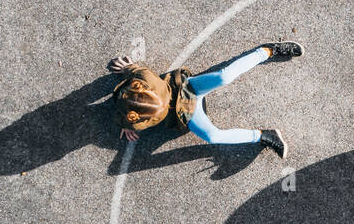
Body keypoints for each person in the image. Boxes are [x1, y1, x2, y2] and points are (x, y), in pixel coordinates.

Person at [107, 42, 303, 158]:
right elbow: (125, 120)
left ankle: (267, 51)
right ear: (135, 116)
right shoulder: (135, 121)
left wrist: (128, 67)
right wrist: (128, 127)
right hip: (186, 113)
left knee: (224, 77)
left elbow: (138, 71)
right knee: (213, 136)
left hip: (187, 87)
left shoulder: (147, 82)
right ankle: (263, 136)